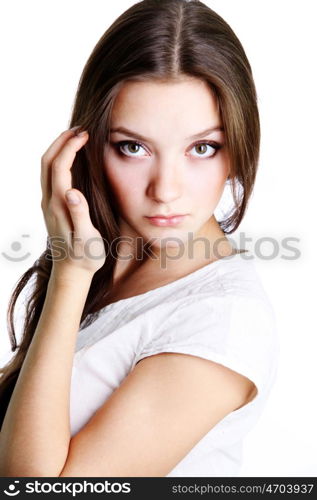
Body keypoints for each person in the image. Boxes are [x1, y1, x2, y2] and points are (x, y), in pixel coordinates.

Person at [0, 0, 279, 477]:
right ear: (87, 146)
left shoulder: (224, 322)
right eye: (133, 147)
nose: (165, 190)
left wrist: (70, 273)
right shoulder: (106, 258)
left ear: (238, 147)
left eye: (202, 148)